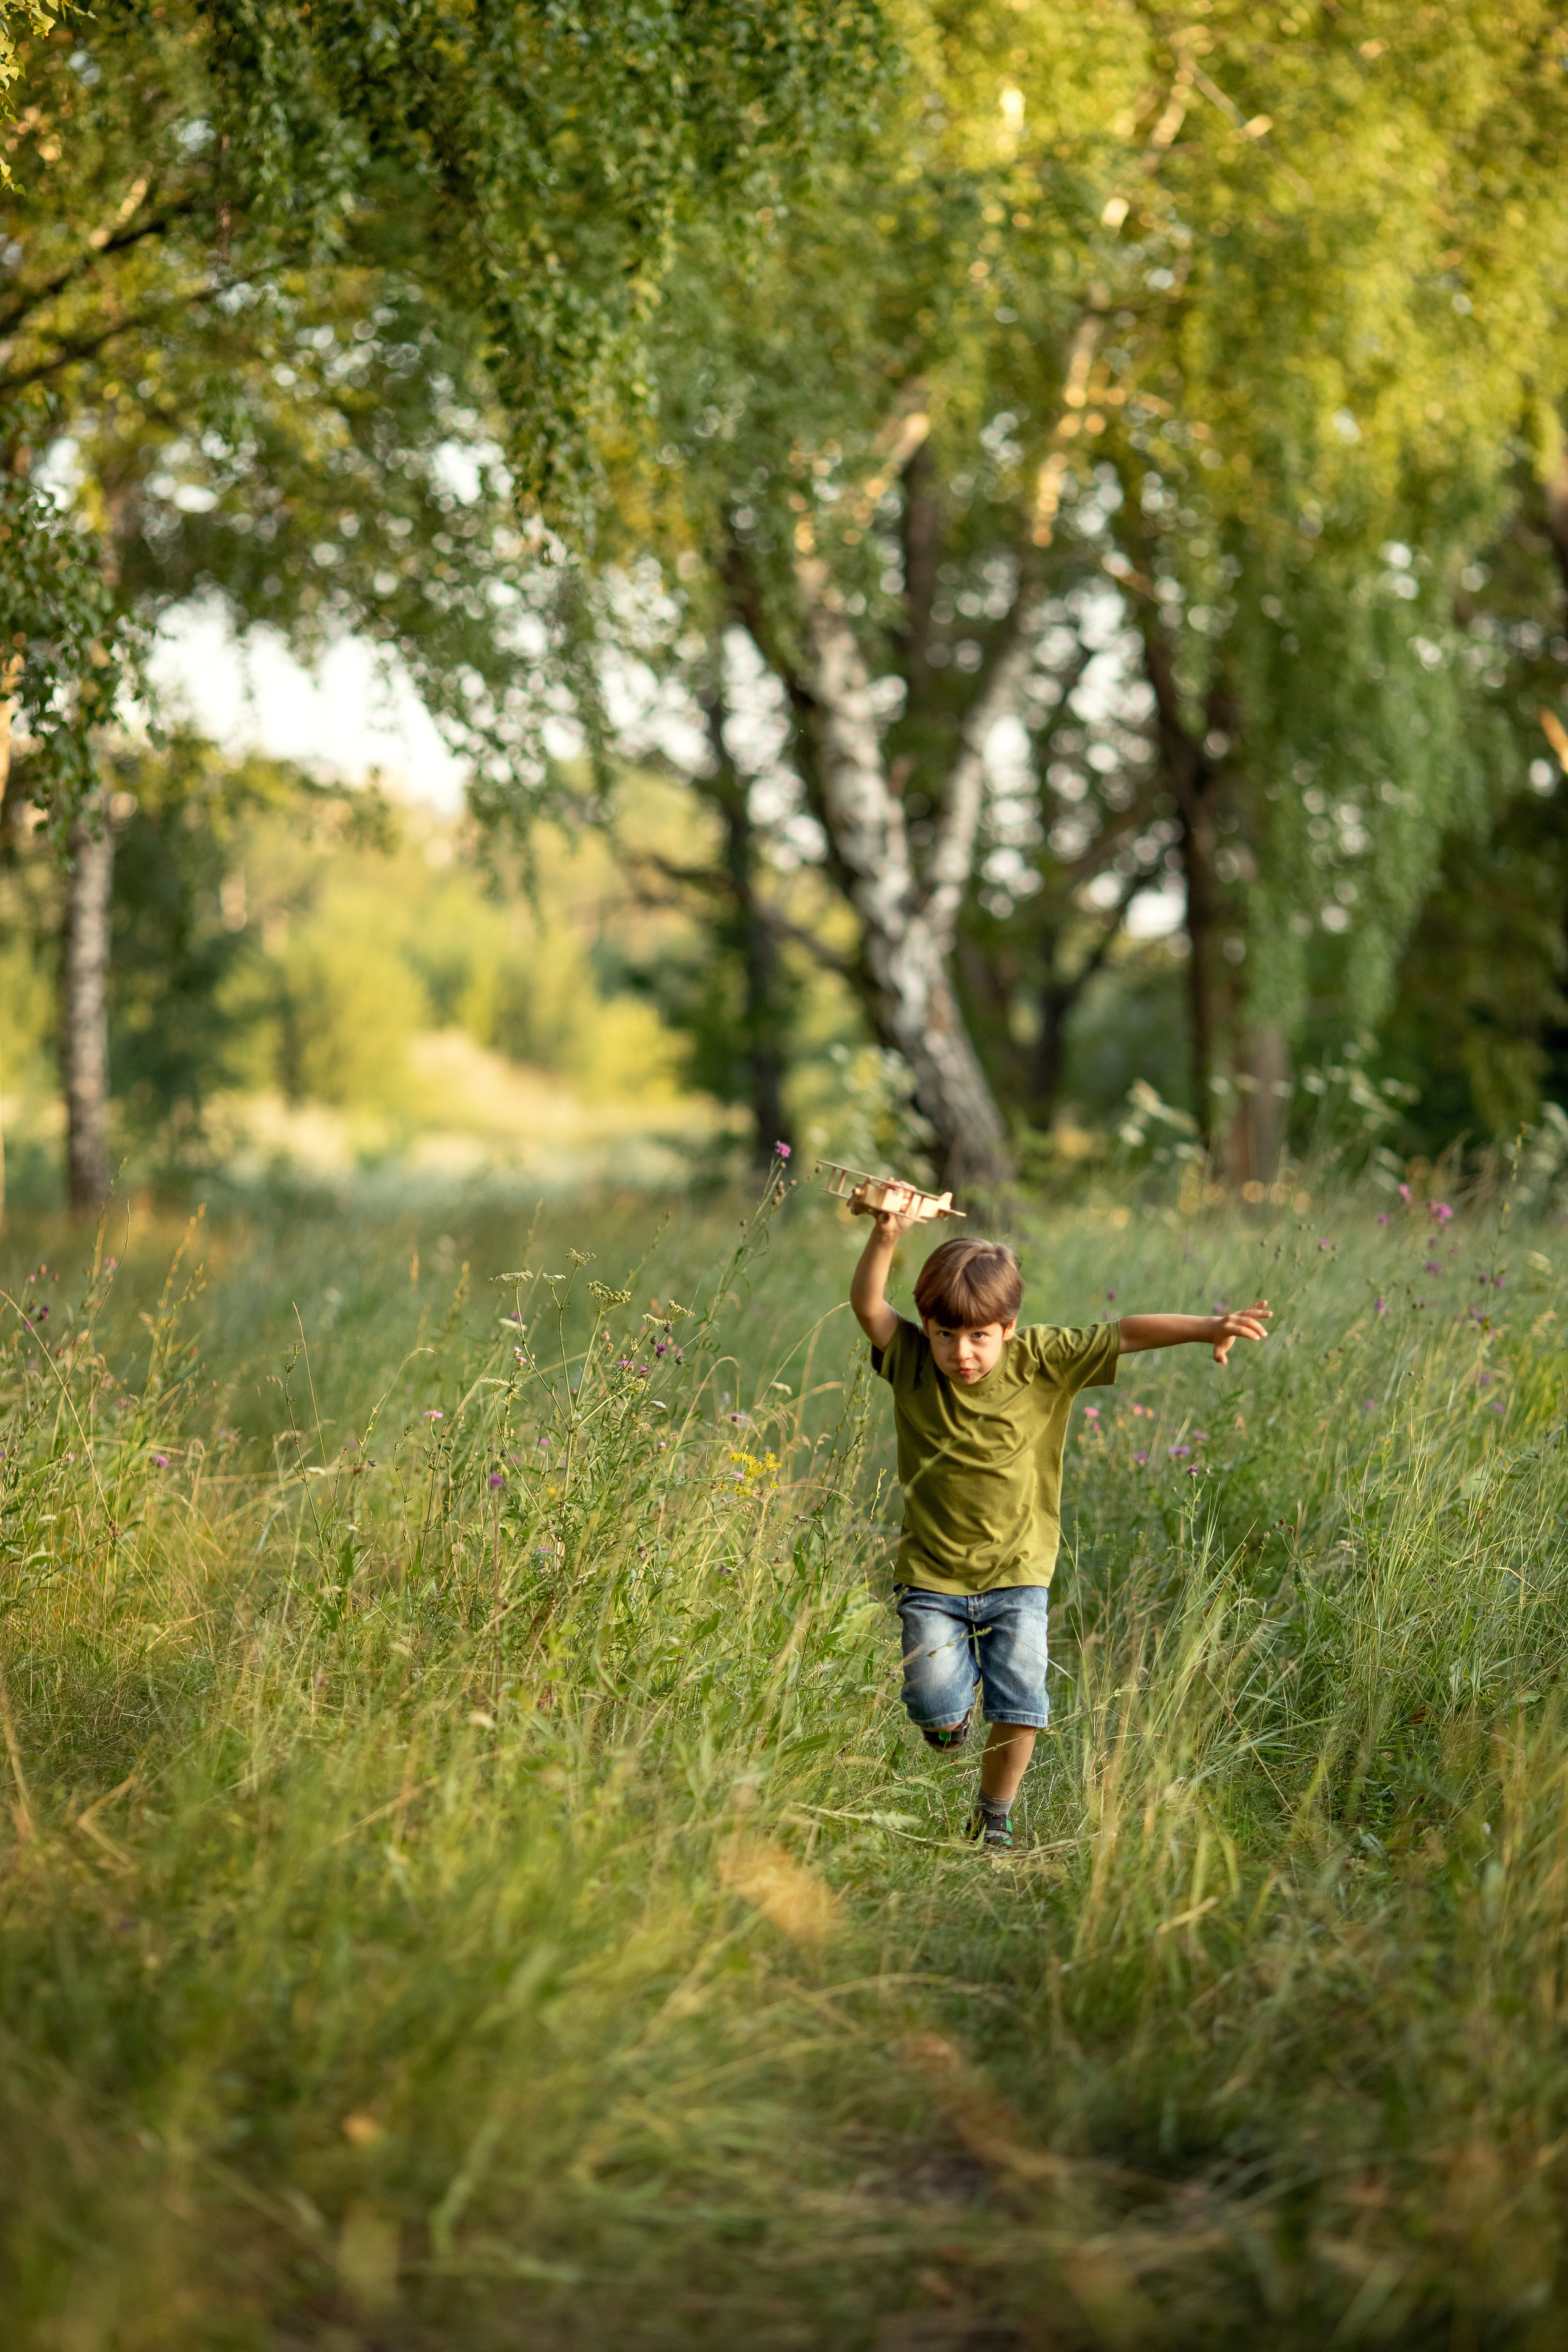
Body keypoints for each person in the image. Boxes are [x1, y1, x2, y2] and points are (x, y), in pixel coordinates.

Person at [848, 1186, 1271, 1851]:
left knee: (1020, 1706)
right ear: (925, 1329)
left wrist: (1208, 1327)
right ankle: (946, 1722)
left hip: (1020, 1574)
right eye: (946, 1336)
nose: (963, 1353)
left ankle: (993, 1814)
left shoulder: (1043, 1360)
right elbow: (870, 1307)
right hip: (932, 1576)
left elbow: (1127, 1331)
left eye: (981, 1337)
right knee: (934, 1703)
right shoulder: (908, 1361)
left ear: (1009, 1329)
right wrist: (886, 1236)